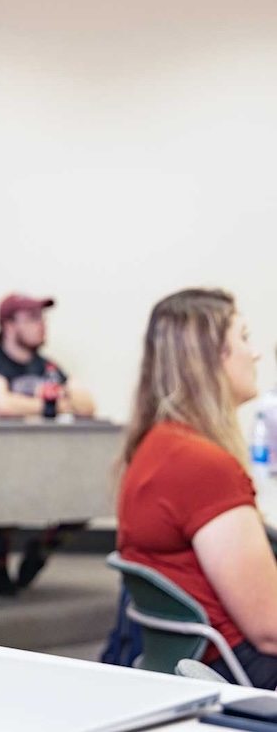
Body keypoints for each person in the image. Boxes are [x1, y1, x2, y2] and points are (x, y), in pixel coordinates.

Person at [117, 288, 277, 687]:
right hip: (241, 667)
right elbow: (270, 629)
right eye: (244, 338)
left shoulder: (158, 445)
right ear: (209, 357)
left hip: (200, 657)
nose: (256, 353)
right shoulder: (200, 465)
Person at [0, 293, 96, 595]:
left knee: (89, 495)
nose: (42, 325)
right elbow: (0, 405)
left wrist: (42, 404)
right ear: (9, 325)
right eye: (33, 318)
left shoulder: (47, 367)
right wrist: (53, 405)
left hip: (44, 464)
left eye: (42, 318)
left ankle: (41, 547)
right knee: (6, 490)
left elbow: (86, 405)